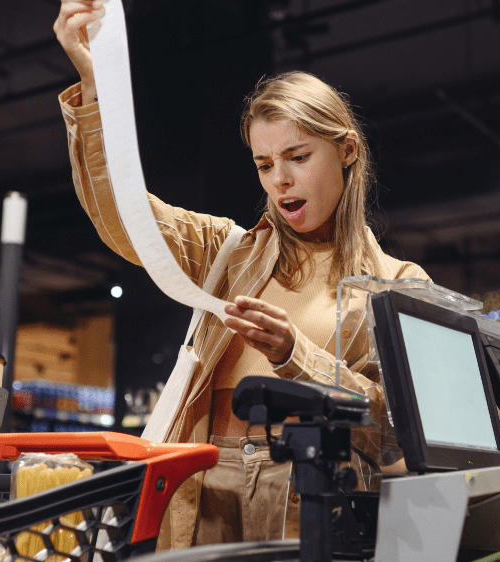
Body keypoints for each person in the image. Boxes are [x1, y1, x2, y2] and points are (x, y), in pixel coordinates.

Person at [54, 0, 431, 550]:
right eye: (264, 164)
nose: (280, 180)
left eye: (298, 156)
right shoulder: (228, 253)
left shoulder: (398, 285)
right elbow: (123, 214)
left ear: (347, 150)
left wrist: (294, 354)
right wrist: (94, 84)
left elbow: (398, 431)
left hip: (309, 494)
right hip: (200, 482)